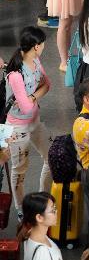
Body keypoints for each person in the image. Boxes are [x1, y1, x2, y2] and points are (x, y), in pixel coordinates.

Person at [5, 27, 51, 214]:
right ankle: (20, 209)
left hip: (35, 122)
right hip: (17, 128)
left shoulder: (36, 61)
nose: (44, 47)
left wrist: (31, 97)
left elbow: (48, 84)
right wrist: (34, 97)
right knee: (20, 170)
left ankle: (43, 199)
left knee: (51, 158)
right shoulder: (16, 74)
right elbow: (25, 108)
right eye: (43, 45)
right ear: (36, 46)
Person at [18, 191, 65, 260]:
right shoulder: (42, 255)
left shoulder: (30, 233)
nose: (56, 212)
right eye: (52, 210)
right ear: (39, 217)